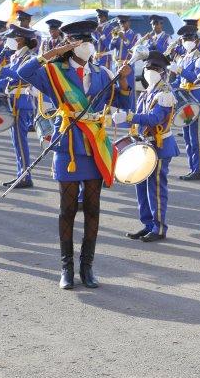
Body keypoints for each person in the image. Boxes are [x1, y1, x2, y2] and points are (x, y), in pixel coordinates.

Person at [16, 21, 123, 290]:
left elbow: (119, 102)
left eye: (89, 40)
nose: (87, 45)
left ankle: (87, 268)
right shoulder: (54, 72)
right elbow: (24, 70)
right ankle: (67, 268)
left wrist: (125, 82)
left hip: (94, 146)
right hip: (69, 148)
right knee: (66, 209)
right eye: (80, 41)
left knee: (93, 209)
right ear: (69, 45)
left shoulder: (101, 72)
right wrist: (53, 53)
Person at [111, 50, 180, 243]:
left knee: (156, 188)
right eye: (148, 67)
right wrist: (123, 120)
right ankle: (148, 224)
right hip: (144, 145)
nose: (150, 71)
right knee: (140, 185)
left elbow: (154, 118)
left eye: (155, 68)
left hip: (160, 145)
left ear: (163, 71)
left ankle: (159, 228)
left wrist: (129, 116)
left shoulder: (165, 93)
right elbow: (139, 119)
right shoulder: (148, 92)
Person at [0, 24, 39, 190]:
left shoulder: (29, 58)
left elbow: (20, 76)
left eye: (12, 38)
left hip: (22, 102)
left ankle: (25, 176)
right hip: (13, 101)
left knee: (20, 141)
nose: (8, 41)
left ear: (20, 40)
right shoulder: (16, 57)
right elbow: (8, 81)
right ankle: (22, 173)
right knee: (16, 141)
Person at [173, 24, 200, 181]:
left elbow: (195, 78)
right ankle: (192, 168)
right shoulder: (183, 57)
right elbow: (179, 81)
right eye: (184, 39)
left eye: (190, 38)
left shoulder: (199, 58)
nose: (187, 41)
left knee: (195, 137)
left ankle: (199, 170)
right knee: (188, 137)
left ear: (196, 40)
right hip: (186, 101)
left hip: (196, 100)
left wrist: (180, 70)